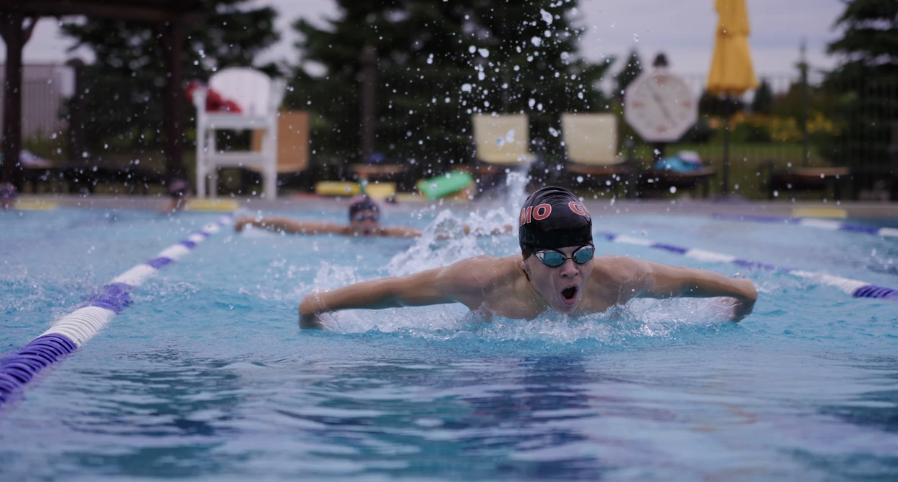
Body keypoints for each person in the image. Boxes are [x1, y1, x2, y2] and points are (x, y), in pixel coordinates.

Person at [298, 186, 757, 328]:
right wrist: (316, 306)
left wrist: (739, 302)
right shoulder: (480, 282)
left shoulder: (619, 278)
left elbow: (720, 286)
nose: (572, 270)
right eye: (554, 260)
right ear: (525, 260)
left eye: (583, 255)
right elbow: (394, 292)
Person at [235, 195, 511, 238]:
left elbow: (434, 234)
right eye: (361, 218)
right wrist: (252, 220)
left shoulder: (390, 233)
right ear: (351, 221)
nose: (368, 223)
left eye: (372, 218)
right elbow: (294, 226)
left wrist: (492, 230)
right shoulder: (337, 231)